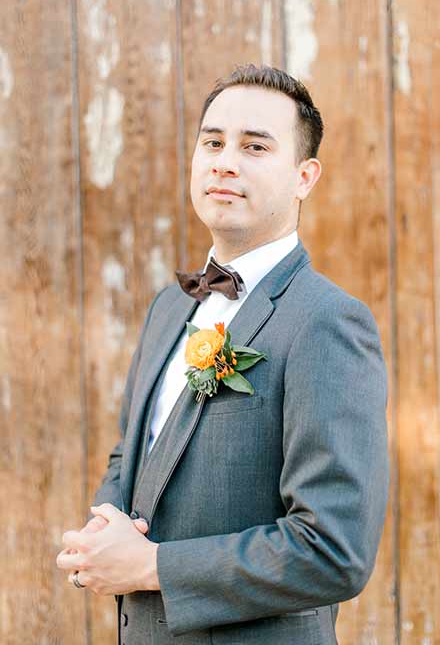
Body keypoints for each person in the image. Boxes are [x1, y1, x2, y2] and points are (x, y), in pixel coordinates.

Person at [56, 63, 389, 645]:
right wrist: (104, 528)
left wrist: (150, 566)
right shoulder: (169, 306)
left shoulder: (327, 322)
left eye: (256, 146)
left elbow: (335, 548)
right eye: (212, 141)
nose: (225, 161)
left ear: (304, 176)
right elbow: (131, 453)